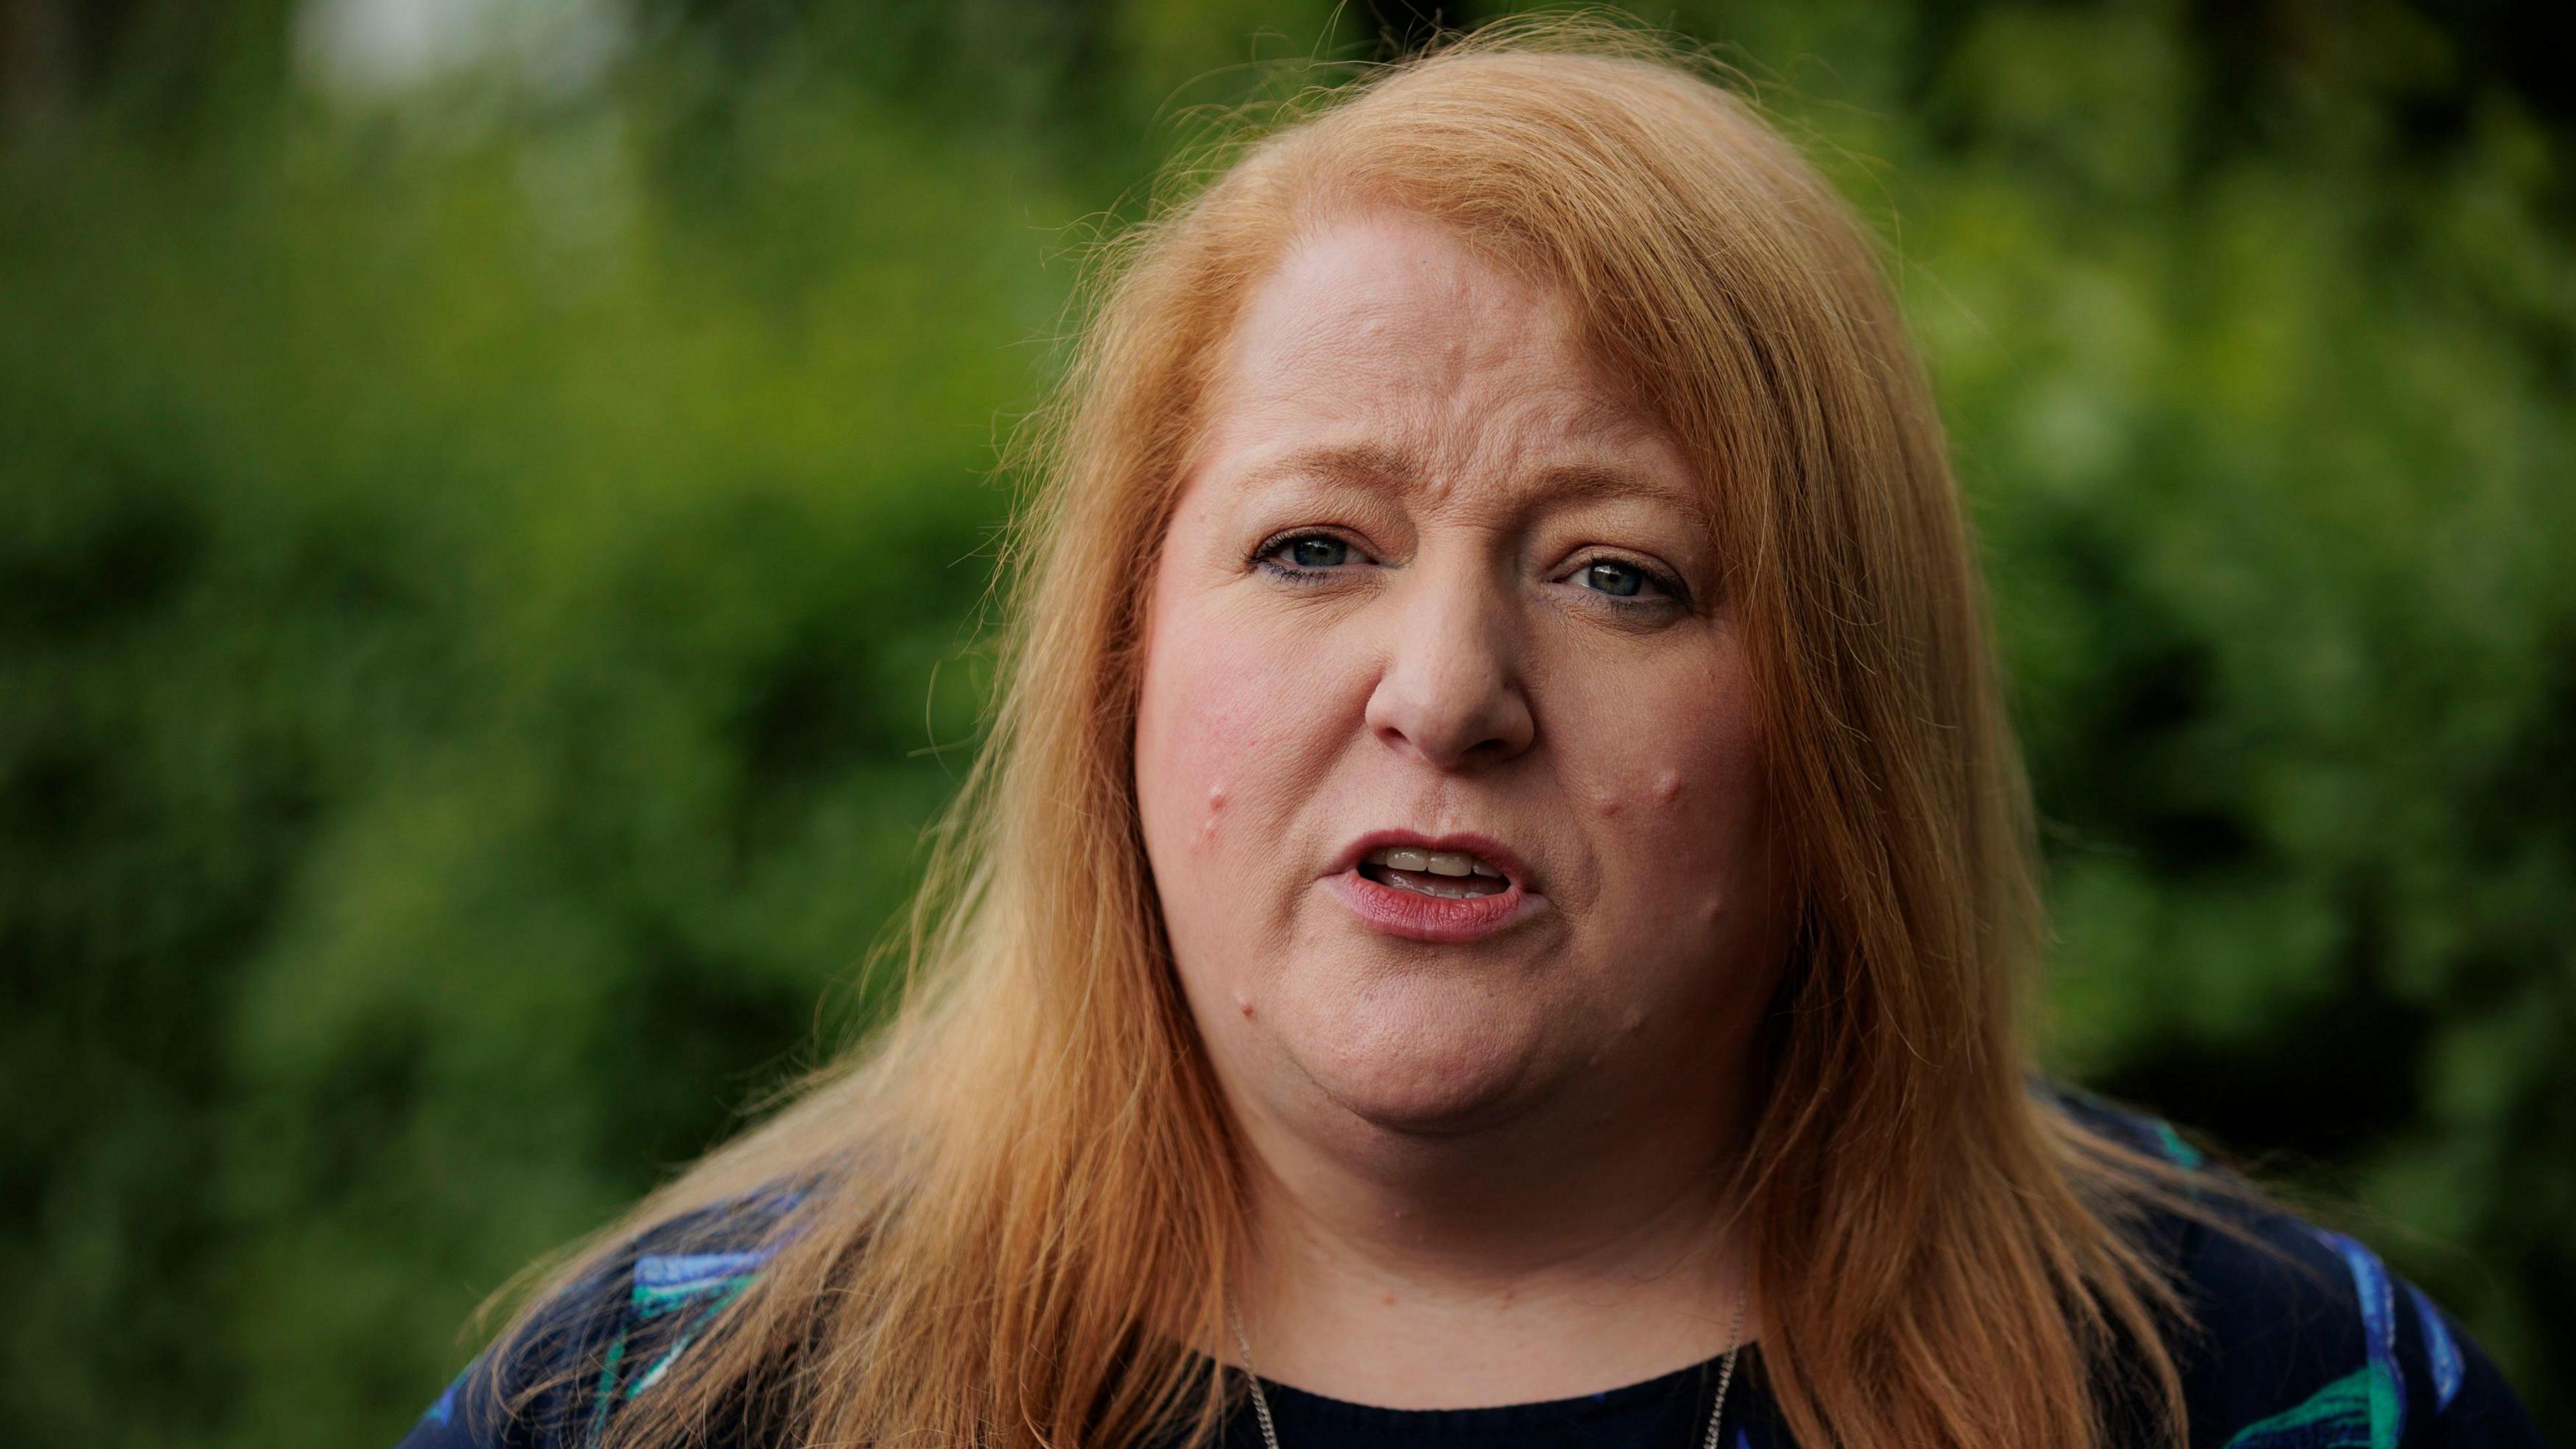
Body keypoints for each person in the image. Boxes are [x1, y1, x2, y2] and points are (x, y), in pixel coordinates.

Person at [394, 23, 2546, 1449]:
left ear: (1844, 723)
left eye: (1622, 575)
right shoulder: (674, 1397)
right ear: (1122, 657)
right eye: (1317, 547)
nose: (1443, 690)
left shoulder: (2263, 1389)